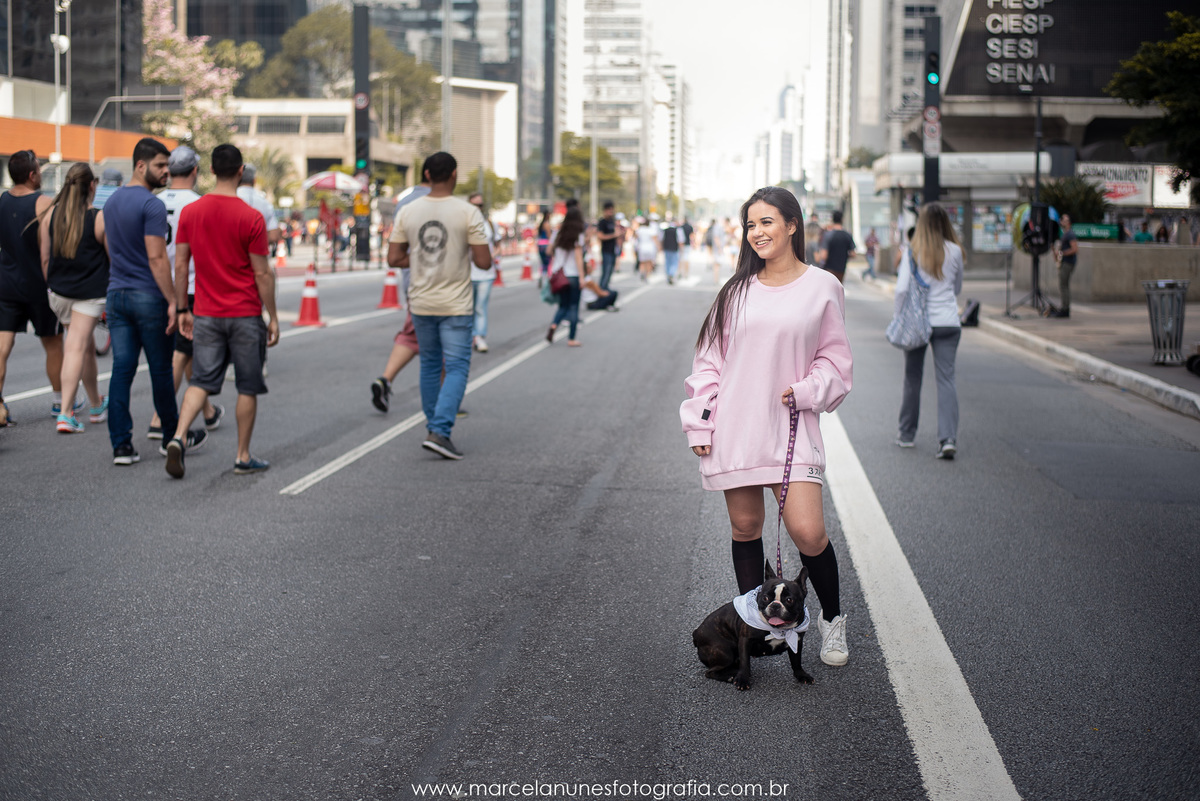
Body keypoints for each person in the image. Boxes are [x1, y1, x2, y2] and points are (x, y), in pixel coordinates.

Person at [680, 186, 853, 668]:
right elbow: (708, 364)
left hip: (792, 425)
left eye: (767, 222)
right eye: (750, 225)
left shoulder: (823, 287)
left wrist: (808, 389)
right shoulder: (735, 291)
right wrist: (700, 423)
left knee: (808, 531)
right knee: (746, 525)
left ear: (793, 225)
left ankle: (832, 622)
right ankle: (758, 625)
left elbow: (835, 361)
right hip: (736, 427)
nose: (757, 233)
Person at [166, 143, 278, 478]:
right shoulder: (251, 217)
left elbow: (182, 265)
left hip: (207, 312)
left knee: (201, 379)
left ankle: (178, 435)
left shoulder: (192, 212)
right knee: (247, 385)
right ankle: (243, 456)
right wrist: (271, 315)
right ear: (241, 171)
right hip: (244, 313)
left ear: (211, 171)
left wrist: (183, 308)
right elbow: (262, 272)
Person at [103, 137, 206, 465]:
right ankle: (170, 438)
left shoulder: (111, 202)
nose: (166, 171)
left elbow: (108, 246)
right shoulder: (151, 205)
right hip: (147, 296)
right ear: (140, 165)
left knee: (122, 369)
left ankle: (121, 446)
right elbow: (157, 258)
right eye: (161, 165)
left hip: (116, 295)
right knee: (161, 370)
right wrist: (175, 303)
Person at [387, 151, 490, 460]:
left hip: (420, 301)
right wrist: (458, 252)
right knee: (457, 366)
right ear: (455, 174)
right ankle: (441, 431)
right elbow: (484, 263)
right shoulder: (468, 212)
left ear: (427, 175)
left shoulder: (408, 211)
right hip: (456, 304)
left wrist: (421, 256)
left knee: (430, 364)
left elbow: (393, 258)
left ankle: (434, 426)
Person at [148, 145, 222, 440]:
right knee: (181, 352)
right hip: (188, 287)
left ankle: (207, 411)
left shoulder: (154, 200)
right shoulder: (198, 204)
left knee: (184, 350)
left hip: (157, 282)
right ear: (194, 171)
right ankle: (158, 418)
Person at [37, 162, 110, 433]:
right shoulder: (98, 217)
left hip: (58, 294)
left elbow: (45, 259)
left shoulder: (50, 215)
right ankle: (66, 413)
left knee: (84, 346)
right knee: (77, 347)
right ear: (92, 186)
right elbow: (112, 258)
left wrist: (54, 287)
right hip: (89, 296)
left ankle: (94, 404)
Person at [895, 203, 964, 460]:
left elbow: (902, 289)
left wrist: (897, 315)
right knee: (947, 380)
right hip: (947, 321)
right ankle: (947, 439)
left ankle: (906, 434)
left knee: (913, 378)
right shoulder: (956, 251)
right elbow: (957, 288)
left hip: (918, 322)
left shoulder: (912, 251)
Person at [0, 149, 63, 427]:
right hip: (38, 285)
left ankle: (0, 404)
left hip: (7, 285)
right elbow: (52, 249)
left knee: (2, 347)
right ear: (32, 174)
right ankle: (60, 401)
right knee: (52, 344)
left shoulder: (1, 201)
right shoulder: (43, 204)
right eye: (38, 169)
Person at [370, 175, 432, 413]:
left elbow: (395, 255)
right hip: (440, 286)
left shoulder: (404, 203)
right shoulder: (442, 203)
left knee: (411, 335)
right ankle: (444, 408)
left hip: (413, 283)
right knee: (445, 346)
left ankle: (385, 380)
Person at [546, 204, 587, 347]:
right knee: (574, 307)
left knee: (563, 306)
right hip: (573, 274)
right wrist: (582, 277)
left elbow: (548, 251)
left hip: (560, 274)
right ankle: (571, 338)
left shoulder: (558, 233)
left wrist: (558, 258)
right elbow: (578, 258)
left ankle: (553, 325)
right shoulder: (578, 235)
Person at [468, 192, 499, 353]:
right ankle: (468, 337)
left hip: (486, 273)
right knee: (467, 308)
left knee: (480, 307)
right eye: (474, 205)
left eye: (480, 205)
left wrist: (491, 256)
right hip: (467, 273)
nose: (477, 208)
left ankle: (479, 337)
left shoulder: (490, 224)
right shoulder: (463, 223)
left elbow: (498, 244)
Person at [816, 210, 856, 284]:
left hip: (829, 269)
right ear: (842, 220)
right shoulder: (847, 235)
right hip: (841, 269)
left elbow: (824, 255)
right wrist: (844, 256)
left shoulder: (828, 235)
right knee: (839, 291)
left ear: (832, 220)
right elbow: (853, 254)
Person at [1050, 213, 1078, 319]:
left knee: (1064, 285)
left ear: (1069, 222)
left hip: (1068, 262)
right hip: (1064, 262)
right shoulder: (1065, 234)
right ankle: (1064, 307)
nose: (1062, 221)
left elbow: (1075, 249)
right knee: (1063, 285)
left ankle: (1065, 308)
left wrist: (1062, 253)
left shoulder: (1070, 234)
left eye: (1064, 220)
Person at [595, 201, 620, 290]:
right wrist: (614, 235)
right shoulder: (602, 222)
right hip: (606, 250)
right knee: (606, 272)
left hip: (613, 250)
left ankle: (606, 290)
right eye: (609, 210)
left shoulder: (612, 221)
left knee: (610, 272)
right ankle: (602, 290)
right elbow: (600, 236)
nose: (611, 212)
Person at [660, 216, 681, 285]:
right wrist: (681, 249)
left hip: (667, 248)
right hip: (674, 249)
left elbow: (661, 239)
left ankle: (669, 273)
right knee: (674, 262)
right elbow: (680, 241)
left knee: (667, 262)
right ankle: (671, 274)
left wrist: (661, 247)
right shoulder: (678, 230)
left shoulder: (665, 230)